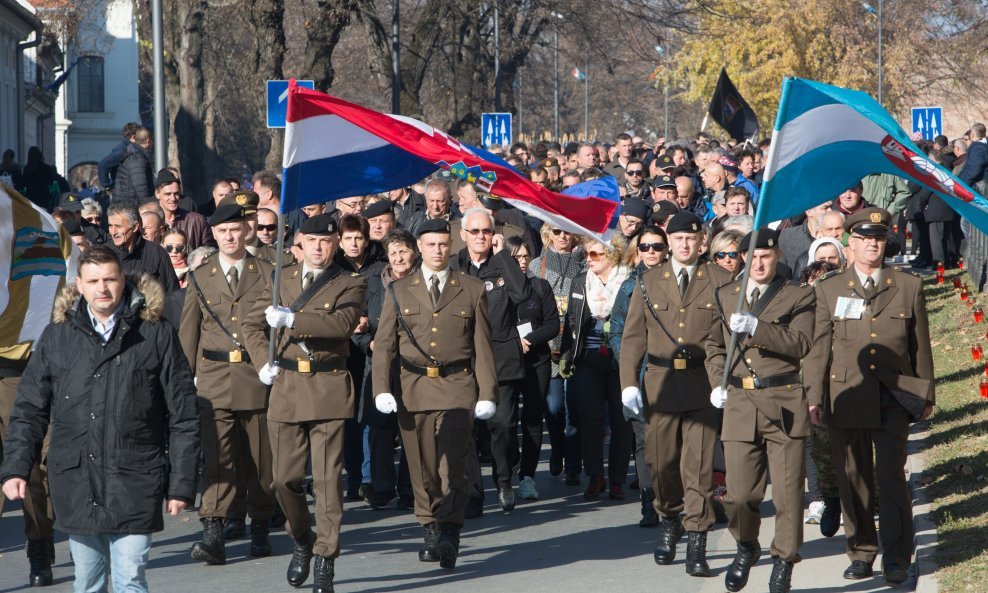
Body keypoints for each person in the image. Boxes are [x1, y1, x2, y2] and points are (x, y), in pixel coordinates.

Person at [0, 245, 200, 593]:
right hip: (77, 480)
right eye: (93, 281)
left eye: (110, 279)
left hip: (135, 477)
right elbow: (30, 409)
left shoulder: (155, 334)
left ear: (123, 280)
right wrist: (17, 467)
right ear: (79, 284)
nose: (102, 289)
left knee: (130, 580)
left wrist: (181, 482)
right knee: (88, 583)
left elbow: (182, 413)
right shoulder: (57, 337)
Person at [804, 207, 935, 586]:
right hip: (845, 394)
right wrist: (814, 396)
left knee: (891, 477)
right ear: (851, 242)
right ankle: (861, 550)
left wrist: (926, 392)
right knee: (854, 477)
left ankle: (896, 557)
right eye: (864, 238)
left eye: (878, 238)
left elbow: (920, 346)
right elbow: (818, 349)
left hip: (894, 394)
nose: (872, 245)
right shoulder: (829, 289)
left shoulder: (907, 285)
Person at [242, 214, 367, 593]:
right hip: (287, 384)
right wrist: (262, 358)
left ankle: (326, 559)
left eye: (326, 242)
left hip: (328, 384)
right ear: (298, 242)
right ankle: (302, 539)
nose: (318, 247)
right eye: (311, 240)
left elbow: (342, 324)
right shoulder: (281, 279)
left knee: (328, 482)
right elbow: (251, 324)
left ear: (336, 245)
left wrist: (294, 318)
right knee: (283, 480)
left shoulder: (351, 282)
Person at [371, 218, 498, 571]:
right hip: (413, 388)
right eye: (430, 245)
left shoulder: (472, 289)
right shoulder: (399, 289)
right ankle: (429, 525)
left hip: (457, 386)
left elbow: (482, 347)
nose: (438, 250)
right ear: (418, 249)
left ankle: (450, 529)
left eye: (443, 244)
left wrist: (487, 392)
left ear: (451, 244)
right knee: (423, 466)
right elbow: (384, 346)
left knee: (452, 465)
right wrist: (381, 388)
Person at [619, 211, 733, 578]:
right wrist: (628, 384)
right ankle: (670, 517)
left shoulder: (720, 279)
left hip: (703, 386)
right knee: (662, 464)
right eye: (679, 238)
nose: (685, 245)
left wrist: (724, 382)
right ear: (669, 242)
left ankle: (697, 542)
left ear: (702, 241)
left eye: (692, 238)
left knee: (698, 470)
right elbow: (633, 336)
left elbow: (731, 337)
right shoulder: (649, 281)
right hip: (661, 386)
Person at [706, 228, 816, 593]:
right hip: (739, 403)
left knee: (786, 495)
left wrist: (758, 327)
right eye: (749, 256)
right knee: (738, 495)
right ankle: (746, 544)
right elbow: (713, 345)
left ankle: (783, 560)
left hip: (781, 401)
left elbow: (800, 343)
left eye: (765, 256)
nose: (757, 263)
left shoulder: (798, 295)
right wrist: (716, 382)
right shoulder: (726, 295)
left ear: (777, 255)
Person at [179, 204, 278, 565]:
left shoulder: (268, 272)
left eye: (236, 230)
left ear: (246, 231)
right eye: (223, 232)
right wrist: (183, 380)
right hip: (214, 379)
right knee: (218, 460)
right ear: (214, 235)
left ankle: (262, 525)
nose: (230, 237)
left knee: (260, 459)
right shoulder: (201, 275)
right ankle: (213, 532)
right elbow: (189, 331)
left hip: (255, 377)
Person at [450, 207, 531, 511]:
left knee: (504, 425)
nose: (481, 236)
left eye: (486, 231)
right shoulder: (454, 267)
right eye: (475, 231)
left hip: (501, 357)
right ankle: (473, 492)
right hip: (465, 359)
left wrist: (504, 256)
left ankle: (505, 479)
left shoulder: (503, 263)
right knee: (466, 428)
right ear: (464, 235)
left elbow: (523, 294)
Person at [560, 237, 631, 500]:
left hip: (619, 357)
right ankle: (595, 475)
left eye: (595, 254)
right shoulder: (581, 280)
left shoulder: (629, 280)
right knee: (590, 418)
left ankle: (617, 479)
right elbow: (570, 319)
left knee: (621, 420)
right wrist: (567, 354)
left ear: (612, 256)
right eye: (587, 254)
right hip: (587, 358)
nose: (588, 259)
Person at [609, 225, 667, 526]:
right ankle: (649, 500)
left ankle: (672, 499)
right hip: (640, 375)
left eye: (657, 246)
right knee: (644, 441)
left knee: (671, 442)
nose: (651, 252)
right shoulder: (629, 287)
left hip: (671, 376)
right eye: (645, 247)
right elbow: (616, 331)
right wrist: (628, 364)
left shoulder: (677, 283)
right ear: (637, 251)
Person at [360, 229, 417, 510]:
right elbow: (357, 320)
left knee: (410, 427)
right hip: (378, 364)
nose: (398, 257)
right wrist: (367, 342)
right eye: (393, 252)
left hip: (411, 367)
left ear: (414, 252)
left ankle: (408, 489)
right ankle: (382, 487)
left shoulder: (421, 281)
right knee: (380, 428)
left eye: (403, 251)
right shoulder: (373, 282)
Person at [529, 223, 585, 484]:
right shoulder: (536, 266)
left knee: (575, 407)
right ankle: (558, 450)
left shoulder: (587, 261)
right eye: (557, 231)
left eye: (567, 231)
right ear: (547, 234)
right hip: (548, 347)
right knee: (553, 408)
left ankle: (573, 463)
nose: (563, 236)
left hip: (574, 347)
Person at [506, 236, 558, 500]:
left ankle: (528, 476)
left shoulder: (540, 286)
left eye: (526, 256)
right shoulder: (498, 288)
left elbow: (552, 325)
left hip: (537, 359)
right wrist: (514, 343)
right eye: (517, 257)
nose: (523, 262)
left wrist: (529, 340)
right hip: (507, 361)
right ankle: (511, 462)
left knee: (533, 420)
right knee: (506, 420)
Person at [107, 199, 180, 293]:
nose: (113, 232)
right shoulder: (103, 254)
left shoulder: (157, 253)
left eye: (118, 226)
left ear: (135, 227)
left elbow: (173, 294)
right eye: (110, 226)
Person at [155, 170, 214, 250]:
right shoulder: (150, 222)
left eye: (176, 194)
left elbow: (210, 250)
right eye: (168, 194)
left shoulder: (197, 220)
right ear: (157, 194)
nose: (173, 198)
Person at [112, 128, 154, 203]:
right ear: (148, 141)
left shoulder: (133, 153)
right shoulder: (137, 158)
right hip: (129, 206)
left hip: (125, 204)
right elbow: (141, 188)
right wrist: (148, 206)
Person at [97, 122, 140, 189]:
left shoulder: (127, 148)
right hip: (123, 191)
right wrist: (107, 186)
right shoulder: (125, 149)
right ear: (133, 137)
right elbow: (103, 165)